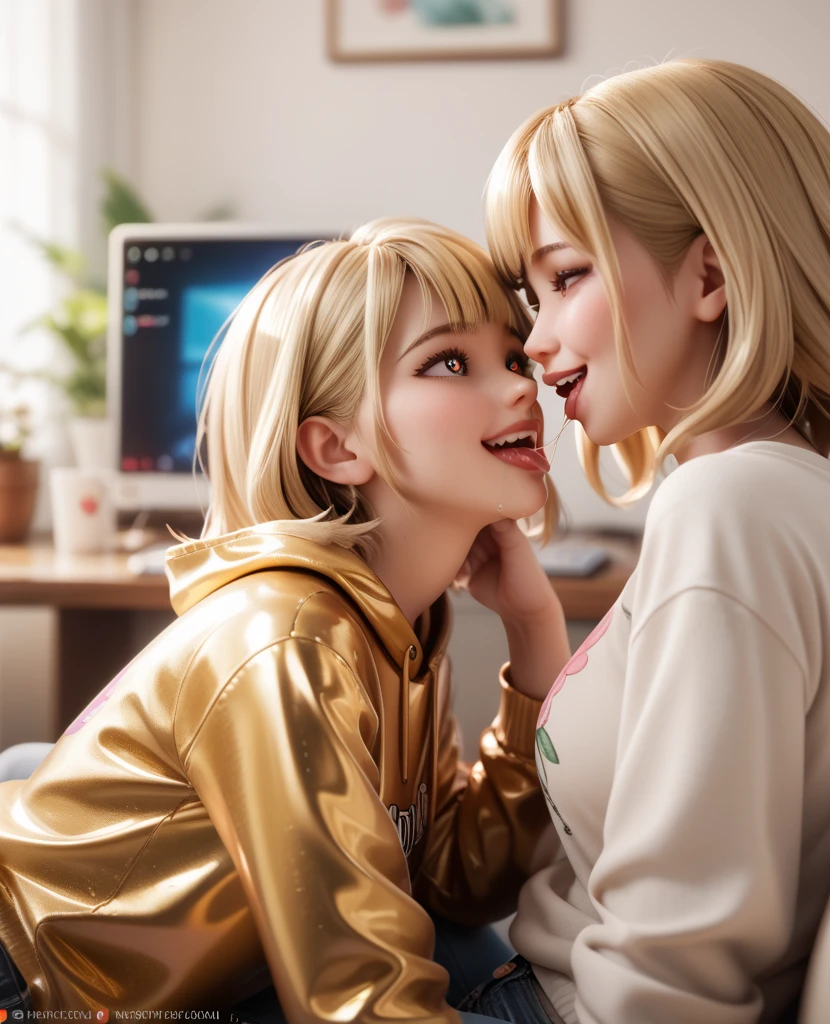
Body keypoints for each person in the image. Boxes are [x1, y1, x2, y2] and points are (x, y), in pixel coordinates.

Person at [463, 59, 830, 1024]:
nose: (534, 339)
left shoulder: (727, 512)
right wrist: (532, 622)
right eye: (532, 297)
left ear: (711, 275)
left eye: (566, 276)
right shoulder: (811, 493)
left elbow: (669, 974)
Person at [0, 219, 572, 1023]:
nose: (523, 385)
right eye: (450, 361)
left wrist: (536, 631)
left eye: (513, 357)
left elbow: (451, 879)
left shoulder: (398, 622)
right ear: (335, 449)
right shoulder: (291, 641)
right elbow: (360, 1003)